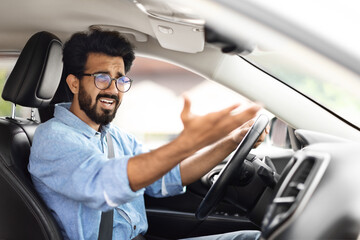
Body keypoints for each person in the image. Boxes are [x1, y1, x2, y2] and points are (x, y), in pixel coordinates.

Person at [28, 29, 267, 240]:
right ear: (74, 84)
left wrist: (232, 141)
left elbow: (168, 175)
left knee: (253, 238)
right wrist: (186, 143)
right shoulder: (53, 138)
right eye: (102, 78)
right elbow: (103, 184)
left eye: (120, 79)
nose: (113, 89)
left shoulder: (115, 137)